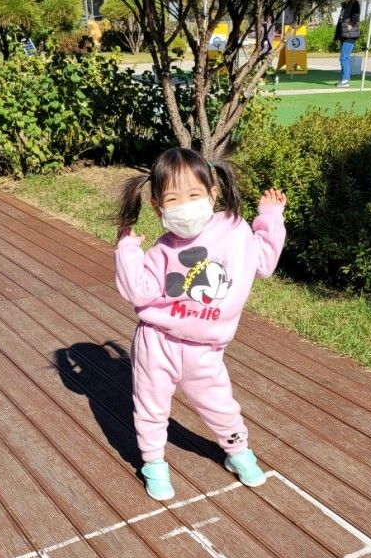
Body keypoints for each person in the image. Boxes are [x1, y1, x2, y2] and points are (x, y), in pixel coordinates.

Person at [115, 148, 286, 501]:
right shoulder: (161, 249)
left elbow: (265, 262)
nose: (185, 205)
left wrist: (269, 216)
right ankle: (154, 463)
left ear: (213, 193)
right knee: (150, 406)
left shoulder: (236, 231)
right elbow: (138, 293)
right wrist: (127, 249)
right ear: (158, 207)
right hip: (156, 342)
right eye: (173, 199)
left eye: (194, 195)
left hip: (205, 350)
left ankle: (239, 453)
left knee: (219, 405)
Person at [334, 0, 361, 87]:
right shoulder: (346, 4)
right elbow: (341, 20)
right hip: (344, 34)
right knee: (345, 57)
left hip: (350, 34)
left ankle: (345, 80)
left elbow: (356, 15)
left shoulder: (355, 3)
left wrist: (351, 24)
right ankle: (344, 79)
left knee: (344, 57)